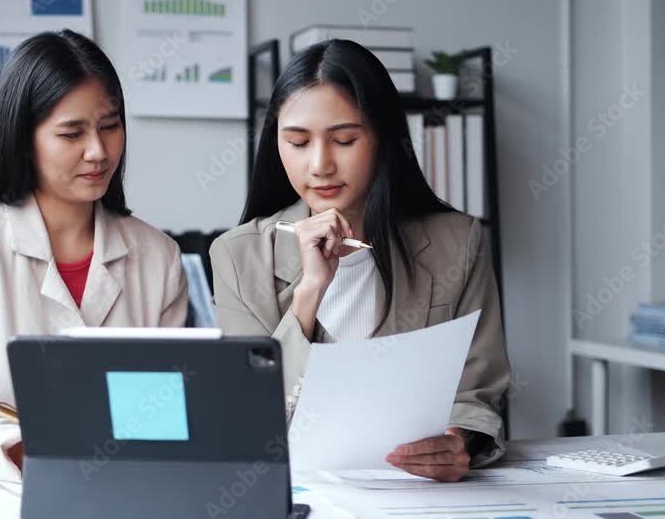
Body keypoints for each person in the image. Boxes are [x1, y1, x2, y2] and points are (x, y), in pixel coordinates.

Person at [0, 30, 189, 517]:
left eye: (110, 126)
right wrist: (33, 451)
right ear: (23, 139)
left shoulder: (157, 256)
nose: (98, 151)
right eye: (72, 134)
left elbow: (156, 414)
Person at [209, 39, 510, 482]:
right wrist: (309, 293)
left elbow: (479, 388)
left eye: (345, 139)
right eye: (296, 142)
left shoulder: (457, 242)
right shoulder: (239, 255)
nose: (320, 165)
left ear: (383, 138)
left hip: (418, 495)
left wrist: (458, 441)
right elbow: (249, 415)